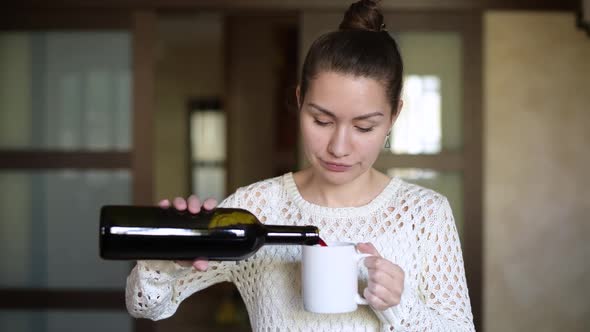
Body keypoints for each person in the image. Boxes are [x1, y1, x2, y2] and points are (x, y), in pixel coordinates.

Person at [125, 0, 475, 330]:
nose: (339, 147)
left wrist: (399, 303)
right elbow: (145, 306)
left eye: (364, 127)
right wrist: (171, 257)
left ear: (394, 115)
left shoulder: (424, 215)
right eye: (322, 121)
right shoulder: (256, 209)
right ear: (299, 101)